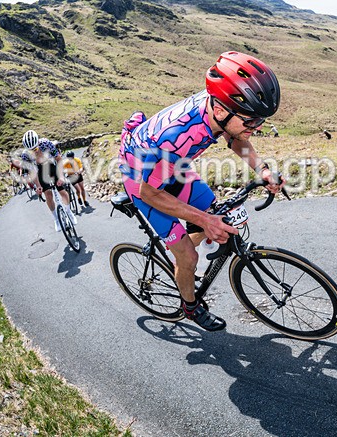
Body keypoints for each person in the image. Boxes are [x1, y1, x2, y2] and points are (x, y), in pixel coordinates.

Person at [119, 51, 283, 332]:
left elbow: (235, 136)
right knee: (189, 254)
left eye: (259, 121)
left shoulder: (221, 108)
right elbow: (151, 194)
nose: (255, 128)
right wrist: (205, 221)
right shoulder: (176, 136)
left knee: (213, 210)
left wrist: (263, 170)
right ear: (220, 111)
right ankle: (190, 306)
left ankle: (181, 250)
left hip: (172, 167)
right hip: (143, 182)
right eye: (251, 121)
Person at [22, 130, 76, 232]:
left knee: (62, 191)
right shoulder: (25, 156)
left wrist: (60, 177)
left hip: (51, 165)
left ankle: (69, 212)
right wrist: (38, 186)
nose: (35, 151)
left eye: (36, 148)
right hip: (39, 170)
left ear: (38, 143)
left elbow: (59, 159)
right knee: (48, 194)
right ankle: (56, 219)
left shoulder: (46, 143)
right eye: (31, 150)